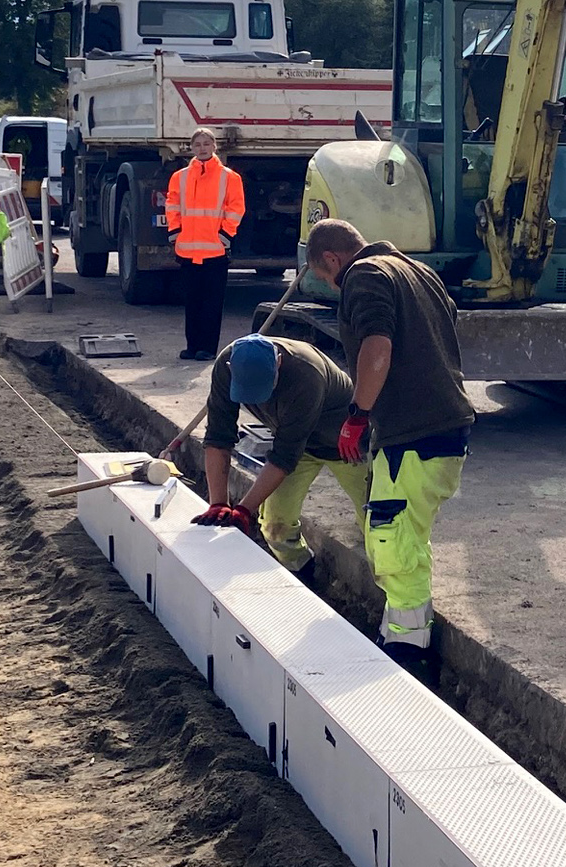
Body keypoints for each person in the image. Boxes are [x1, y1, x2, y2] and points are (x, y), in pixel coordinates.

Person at [303, 218, 474, 682]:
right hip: (446, 425)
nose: (330, 285)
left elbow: (377, 345)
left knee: (392, 538)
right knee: (409, 532)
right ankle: (403, 627)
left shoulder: (365, 276)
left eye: (324, 276)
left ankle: (407, 645)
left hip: (412, 432)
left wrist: (357, 415)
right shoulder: (416, 271)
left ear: (334, 260)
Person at [193, 333, 370, 585]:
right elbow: (218, 438)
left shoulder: (307, 374)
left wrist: (243, 510)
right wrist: (218, 504)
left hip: (345, 445)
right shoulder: (225, 365)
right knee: (275, 525)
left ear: (278, 362)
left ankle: (385, 595)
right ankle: (305, 576)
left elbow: (285, 456)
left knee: (379, 526)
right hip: (297, 443)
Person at [167, 129, 244, 360]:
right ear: (191, 148)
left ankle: (208, 349)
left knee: (212, 302)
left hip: (215, 249)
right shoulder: (180, 176)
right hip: (188, 249)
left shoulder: (229, 177)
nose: (202, 148)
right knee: (192, 301)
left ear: (214, 146)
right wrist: (174, 231)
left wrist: (225, 234)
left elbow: (236, 207)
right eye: (197, 144)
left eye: (206, 143)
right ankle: (192, 347)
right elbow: (172, 205)